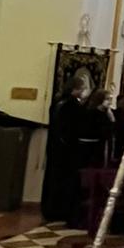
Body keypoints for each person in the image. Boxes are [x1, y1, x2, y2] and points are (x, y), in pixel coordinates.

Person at [41, 70, 92, 223]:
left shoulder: (57, 102)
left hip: (55, 148)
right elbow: (74, 128)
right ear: (75, 89)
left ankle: (50, 209)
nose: (83, 92)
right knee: (65, 181)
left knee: (53, 179)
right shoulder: (71, 106)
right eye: (81, 88)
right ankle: (62, 210)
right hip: (67, 151)